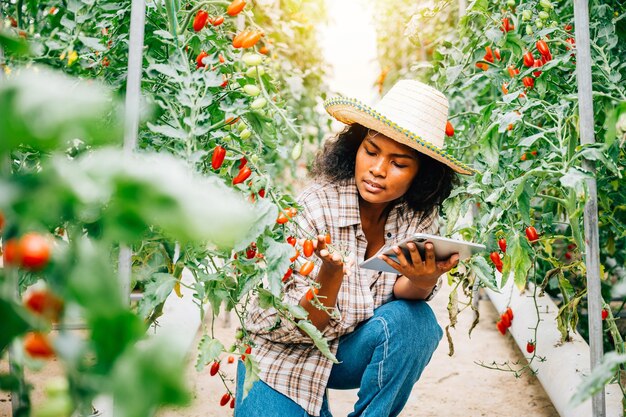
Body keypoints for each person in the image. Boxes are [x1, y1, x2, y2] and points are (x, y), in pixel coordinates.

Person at [234, 80, 476, 417]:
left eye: (399, 163)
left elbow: (402, 298)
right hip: (283, 354)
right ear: (355, 147)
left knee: (416, 322)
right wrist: (329, 278)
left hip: (347, 350)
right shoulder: (314, 206)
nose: (377, 170)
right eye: (371, 151)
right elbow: (302, 324)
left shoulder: (416, 215)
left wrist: (422, 280)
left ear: (421, 174)